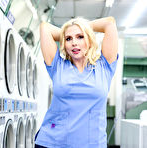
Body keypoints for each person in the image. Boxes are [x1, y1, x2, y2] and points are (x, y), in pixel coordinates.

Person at [35, 16, 118, 148]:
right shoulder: (58, 66)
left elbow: (109, 23)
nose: (74, 43)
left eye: (80, 37)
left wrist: (80, 26)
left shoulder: (104, 67)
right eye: (68, 39)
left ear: (89, 40)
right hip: (52, 143)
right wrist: (72, 29)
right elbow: (45, 27)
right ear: (64, 43)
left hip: (92, 144)